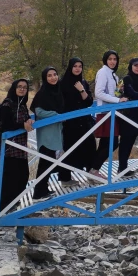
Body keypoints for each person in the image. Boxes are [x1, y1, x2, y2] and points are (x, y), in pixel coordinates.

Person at [0, 78, 33, 211]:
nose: (22, 89)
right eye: (19, 86)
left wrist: (28, 120)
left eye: (25, 87)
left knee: (23, 176)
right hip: (10, 147)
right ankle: (4, 208)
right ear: (14, 88)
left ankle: (12, 204)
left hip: (20, 147)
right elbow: (5, 125)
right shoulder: (7, 105)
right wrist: (22, 125)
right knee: (9, 179)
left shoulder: (22, 105)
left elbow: (25, 120)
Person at [30, 67, 66, 199]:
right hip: (46, 133)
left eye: (55, 74)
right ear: (45, 78)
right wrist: (56, 115)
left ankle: (44, 189)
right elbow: (38, 111)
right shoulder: (42, 93)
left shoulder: (57, 92)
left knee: (49, 162)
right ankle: (38, 193)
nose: (53, 77)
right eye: (49, 75)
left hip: (55, 131)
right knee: (45, 163)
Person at [91, 50, 127, 174]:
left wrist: (119, 92)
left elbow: (111, 92)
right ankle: (94, 169)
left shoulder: (113, 75)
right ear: (106, 60)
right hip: (105, 112)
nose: (112, 61)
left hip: (112, 113)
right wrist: (118, 100)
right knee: (112, 143)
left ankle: (93, 170)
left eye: (115, 59)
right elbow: (99, 93)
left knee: (105, 143)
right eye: (110, 59)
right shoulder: (103, 72)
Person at [59, 57, 93, 185]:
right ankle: (65, 178)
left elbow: (89, 101)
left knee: (89, 146)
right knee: (69, 148)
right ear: (70, 67)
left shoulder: (83, 83)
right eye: (75, 66)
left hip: (84, 121)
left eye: (80, 66)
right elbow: (61, 102)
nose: (78, 68)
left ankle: (91, 174)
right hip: (70, 122)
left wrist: (82, 90)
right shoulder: (63, 83)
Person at [120, 58, 138, 176]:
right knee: (126, 142)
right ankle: (122, 168)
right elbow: (132, 94)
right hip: (129, 115)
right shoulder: (127, 78)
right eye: (135, 65)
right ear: (131, 66)